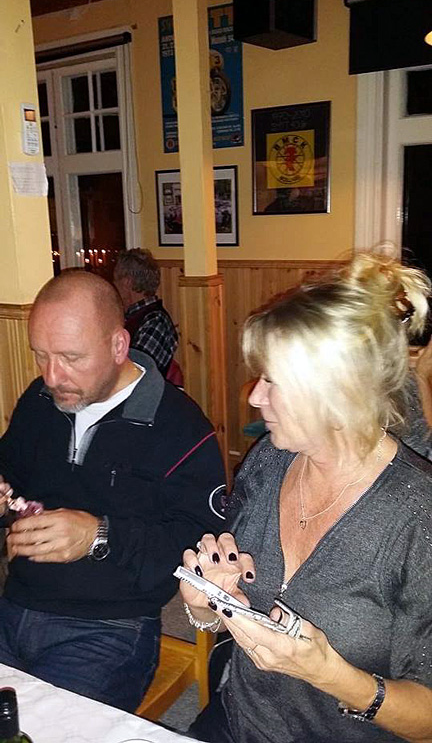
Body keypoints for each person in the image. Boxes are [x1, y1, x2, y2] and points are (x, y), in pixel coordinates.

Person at [180, 253, 432, 743]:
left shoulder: (418, 517)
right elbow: (235, 611)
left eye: (273, 381)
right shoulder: (267, 461)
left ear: (339, 392)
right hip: (238, 721)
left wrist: (329, 675)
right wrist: (206, 606)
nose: (254, 397)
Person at [0, 269, 226, 713]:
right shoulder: (40, 400)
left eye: (70, 357)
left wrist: (99, 535)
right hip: (14, 604)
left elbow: (200, 548)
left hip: (110, 628)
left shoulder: (180, 428)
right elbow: (10, 466)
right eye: (41, 356)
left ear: (118, 346)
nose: (52, 376)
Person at [113, 248, 179, 378]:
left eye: (115, 279)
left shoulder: (155, 322)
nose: (113, 285)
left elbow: (138, 375)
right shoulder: (129, 316)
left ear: (127, 282)